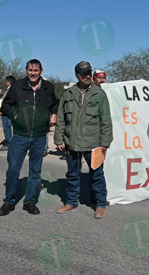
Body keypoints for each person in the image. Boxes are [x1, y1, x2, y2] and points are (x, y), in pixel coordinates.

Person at [0, 59, 59, 216]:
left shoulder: (48, 87)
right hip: (19, 136)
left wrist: (54, 114)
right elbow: (5, 106)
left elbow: (55, 104)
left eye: (36, 71)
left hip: (39, 137)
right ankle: (9, 201)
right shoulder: (17, 86)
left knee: (35, 171)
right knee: (12, 170)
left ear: (41, 71)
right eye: (30, 70)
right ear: (26, 71)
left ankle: (30, 201)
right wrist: (16, 116)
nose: (33, 73)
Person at [54, 61, 113, 219]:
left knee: (97, 174)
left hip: (93, 144)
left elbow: (106, 121)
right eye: (83, 74)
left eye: (89, 73)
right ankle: (71, 201)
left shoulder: (99, 94)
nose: (87, 76)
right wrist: (59, 138)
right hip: (72, 142)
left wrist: (105, 143)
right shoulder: (68, 94)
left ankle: (100, 203)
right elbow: (61, 119)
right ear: (77, 76)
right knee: (72, 174)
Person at [0, 75, 15, 151]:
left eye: (6, 81)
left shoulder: (10, 91)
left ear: (9, 82)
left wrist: (2, 110)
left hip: (7, 112)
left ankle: (8, 144)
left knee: (7, 128)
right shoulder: (15, 90)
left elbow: (7, 102)